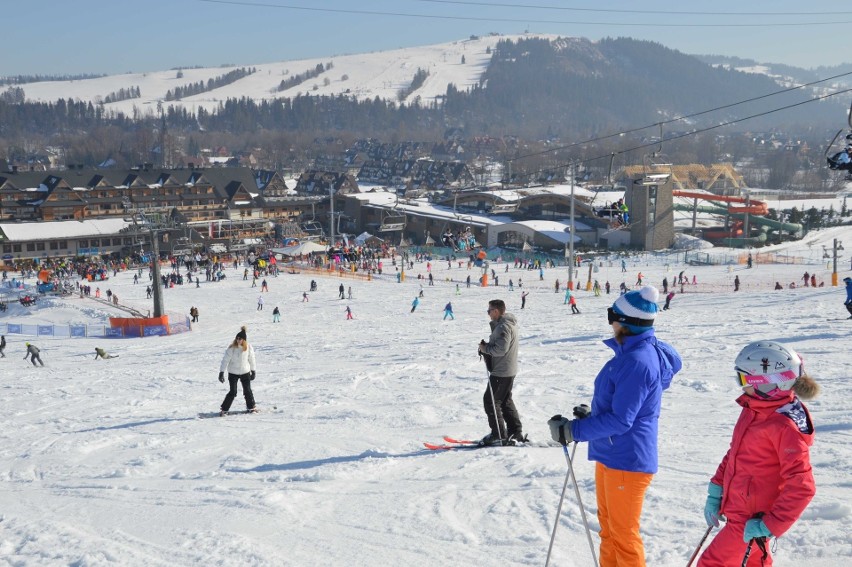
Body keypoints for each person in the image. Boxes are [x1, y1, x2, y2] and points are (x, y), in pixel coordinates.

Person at [548, 286, 682, 567]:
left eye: (613, 315)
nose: (610, 322)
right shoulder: (630, 355)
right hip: (611, 454)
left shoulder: (637, 362)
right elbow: (621, 406)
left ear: (627, 323)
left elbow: (622, 420)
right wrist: (593, 415)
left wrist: (574, 431)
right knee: (609, 532)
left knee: (623, 536)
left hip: (627, 460)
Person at [697, 341, 818, 567]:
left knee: (712, 563)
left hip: (752, 519)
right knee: (755, 563)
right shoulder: (755, 410)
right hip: (741, 510)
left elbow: (802, 486)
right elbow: (736, 453)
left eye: (744, 380)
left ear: (768, 384)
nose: (741, 387)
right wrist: (717, 489)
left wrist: (769, 525)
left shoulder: (782, 426)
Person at [478, 299, 526, 446]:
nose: (488, 313)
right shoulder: (506, 324)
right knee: (504, 401)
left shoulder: (504, 326)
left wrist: (484, 349)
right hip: (507, 369)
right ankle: (515, 432)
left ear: (496, 311)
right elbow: (500, 345)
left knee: (491, 401)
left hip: (502, 371)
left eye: (489, 310)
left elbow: (501, 349)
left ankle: (499, 434)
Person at [218, 326, 257, 416]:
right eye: (237, 338)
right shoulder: (232, 348)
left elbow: (252, 359)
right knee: (233, 391)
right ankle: (224, 409)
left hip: (245, 372)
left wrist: (253, 371)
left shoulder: (248, 347)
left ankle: (251, 407)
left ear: (244, 340)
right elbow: (225, 360)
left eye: (240, 338)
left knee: (247, 390)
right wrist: (221, 372)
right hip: (233, 373)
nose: (238, 340)